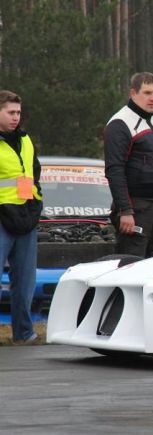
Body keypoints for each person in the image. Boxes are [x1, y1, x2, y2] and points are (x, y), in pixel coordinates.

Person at [104, 72, 153, 258]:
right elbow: (115, 170)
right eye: (147, 92)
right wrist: (125, 211)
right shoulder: (120, 123)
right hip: (136, 208)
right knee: (132, 266)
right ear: (133, 93)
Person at [0, 90, 43, 344]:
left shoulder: (25, 141)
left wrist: (35, 204)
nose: (16, 117)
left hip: (25, 217)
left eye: (18, 112)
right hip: (1, 217)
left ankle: (24, 333)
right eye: (10, 112)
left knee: (25, 281)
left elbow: (32, 176)